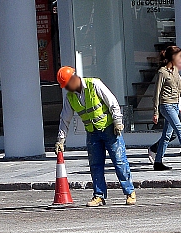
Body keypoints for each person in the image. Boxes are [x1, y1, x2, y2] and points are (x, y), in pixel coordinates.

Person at [55, 66, 136, 206]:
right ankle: (99, 195)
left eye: (67, 85)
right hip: (92, 133)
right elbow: (65, 119)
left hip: (110, 130)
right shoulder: (70, 97)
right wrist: (60, 139)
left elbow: (113, 103)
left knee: (119, 161)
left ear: (74, 78)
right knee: (95, 165)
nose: (67, 88)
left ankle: (130, 192)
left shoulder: (94, 84)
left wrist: (118, 122)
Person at [152, 46, 181, 171]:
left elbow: (179, 88)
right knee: (179, 128)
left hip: (175, 104)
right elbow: (156, 93)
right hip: (166, 105)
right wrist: (155, 112)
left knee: (167, 135)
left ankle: (158, 162)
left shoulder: (175, 71)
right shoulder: (162, 72)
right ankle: (158, 161)